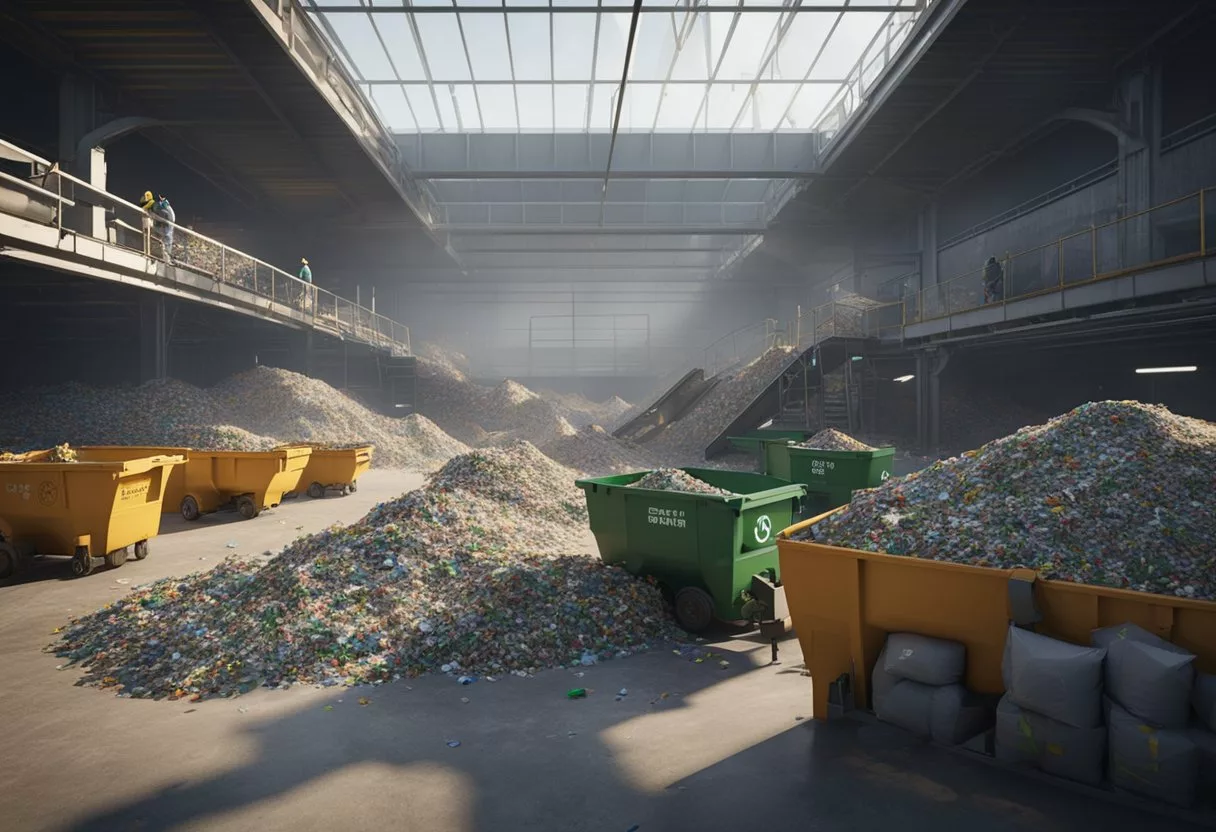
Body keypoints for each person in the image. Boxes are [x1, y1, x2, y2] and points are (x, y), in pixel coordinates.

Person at [141, 191, 175, 263]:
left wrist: (152, 215)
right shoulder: (160, 206)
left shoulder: (161, 207)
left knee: (165, 240)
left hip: (166, 224)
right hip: (164, 224)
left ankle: (166, 259)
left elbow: (164, 217)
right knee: (160, 238)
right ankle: (162, 257)